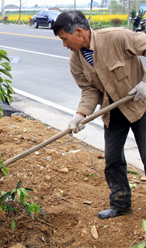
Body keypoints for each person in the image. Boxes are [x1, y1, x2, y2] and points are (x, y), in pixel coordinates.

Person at [53, 10, 146, 219]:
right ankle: (120, 204)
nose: (64, 45)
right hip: (113, 110)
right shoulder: (76, 60)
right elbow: (89, 90)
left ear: (79, 32)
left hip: (141, 104)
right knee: (112, 160)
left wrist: (145, 83)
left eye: (65, 39)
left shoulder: (117, 37)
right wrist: (80, 114)